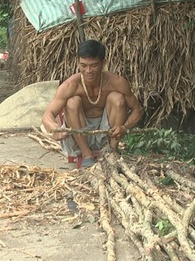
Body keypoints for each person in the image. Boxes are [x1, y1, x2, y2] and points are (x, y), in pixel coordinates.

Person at [42, 39, 143, 168]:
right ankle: (86, 154)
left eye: (94, 65)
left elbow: (137, 110)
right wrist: (53, 128)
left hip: (107, 134)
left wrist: (124, 127)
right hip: (78, 137)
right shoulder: (70, 85)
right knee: (72, 102)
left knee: (117, 98)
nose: (88, 70)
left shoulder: (117, 82)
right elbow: (47, 115)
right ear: (78, 63)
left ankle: (112, 151)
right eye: (83, 65)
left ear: (103, 63)